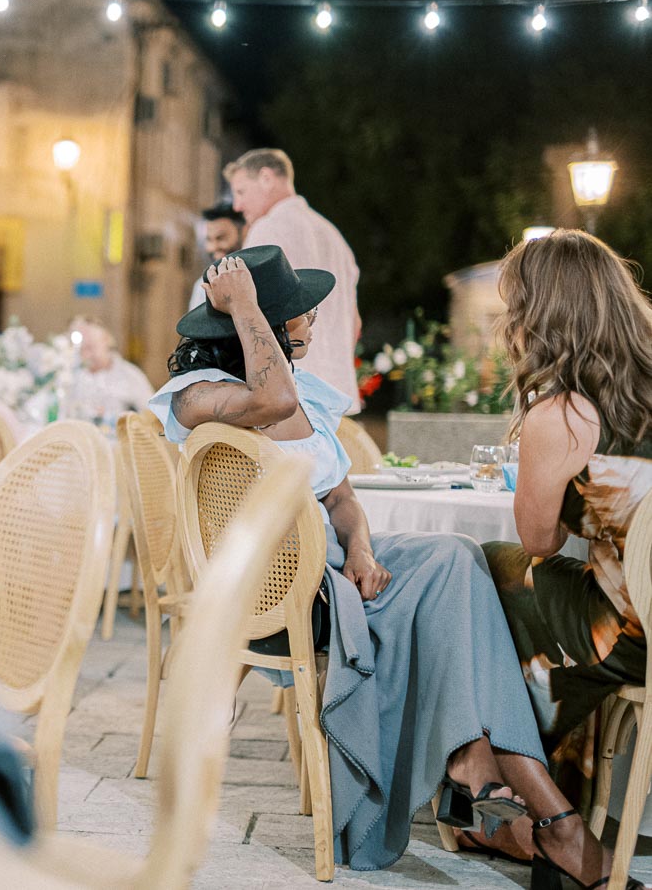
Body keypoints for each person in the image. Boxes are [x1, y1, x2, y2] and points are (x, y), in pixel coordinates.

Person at [150, 245, 638, 887]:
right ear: (261, 320)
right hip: (282, 584)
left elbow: (342, 497)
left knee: (459, 557)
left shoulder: (304, 399)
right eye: (297, 311)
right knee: (458, 598)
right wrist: (242, 303)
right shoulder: (198, 395)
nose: (312, 319)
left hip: (334, 562)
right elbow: (268, 400)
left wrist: (362, 551)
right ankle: (532, 805)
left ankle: (473, 768)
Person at [482, 231, 652, 874]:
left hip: (636, 632)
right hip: (639, 608)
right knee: (549, 606)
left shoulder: (562, 413)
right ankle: (545, 801)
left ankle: (513, 796)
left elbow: (539, 540)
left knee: (490, 569)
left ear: (540, 313)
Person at [226, 148, 362, 412]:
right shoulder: (333, 235)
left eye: (241, 192)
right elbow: (355, 323)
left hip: (293, 396)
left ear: (266, 178)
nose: (237, 205)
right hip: (338, 394)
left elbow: (251, 316)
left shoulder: (267, 230)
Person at [69, 316, 154, 421]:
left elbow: (151, 413)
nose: (86, 355)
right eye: (82, 349)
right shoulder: (72, 375)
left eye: (91, 347)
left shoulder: (130, 374)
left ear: (106, 341)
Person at [188, 203, 246, 310]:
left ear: (243, 233)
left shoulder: (257, 278)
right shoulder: (201, 287)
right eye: (209, 239)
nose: (213, 247)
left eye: (221, 238)